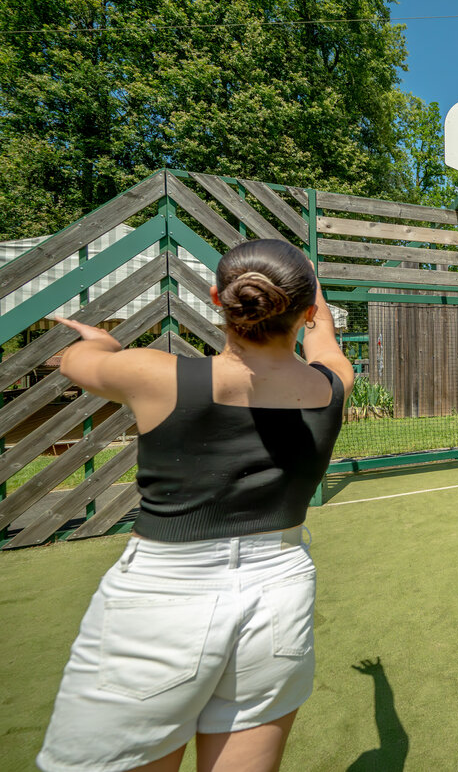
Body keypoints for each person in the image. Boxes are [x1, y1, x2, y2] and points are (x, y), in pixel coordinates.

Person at [38, 239, 354, 772]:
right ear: (307, 310)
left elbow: (78, 361)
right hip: (280, 587)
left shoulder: (156, 375)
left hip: (164, 595)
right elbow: (326, 349)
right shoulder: (331, 386)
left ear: (217, 298)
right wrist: (311, 291)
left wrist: (98, 341)